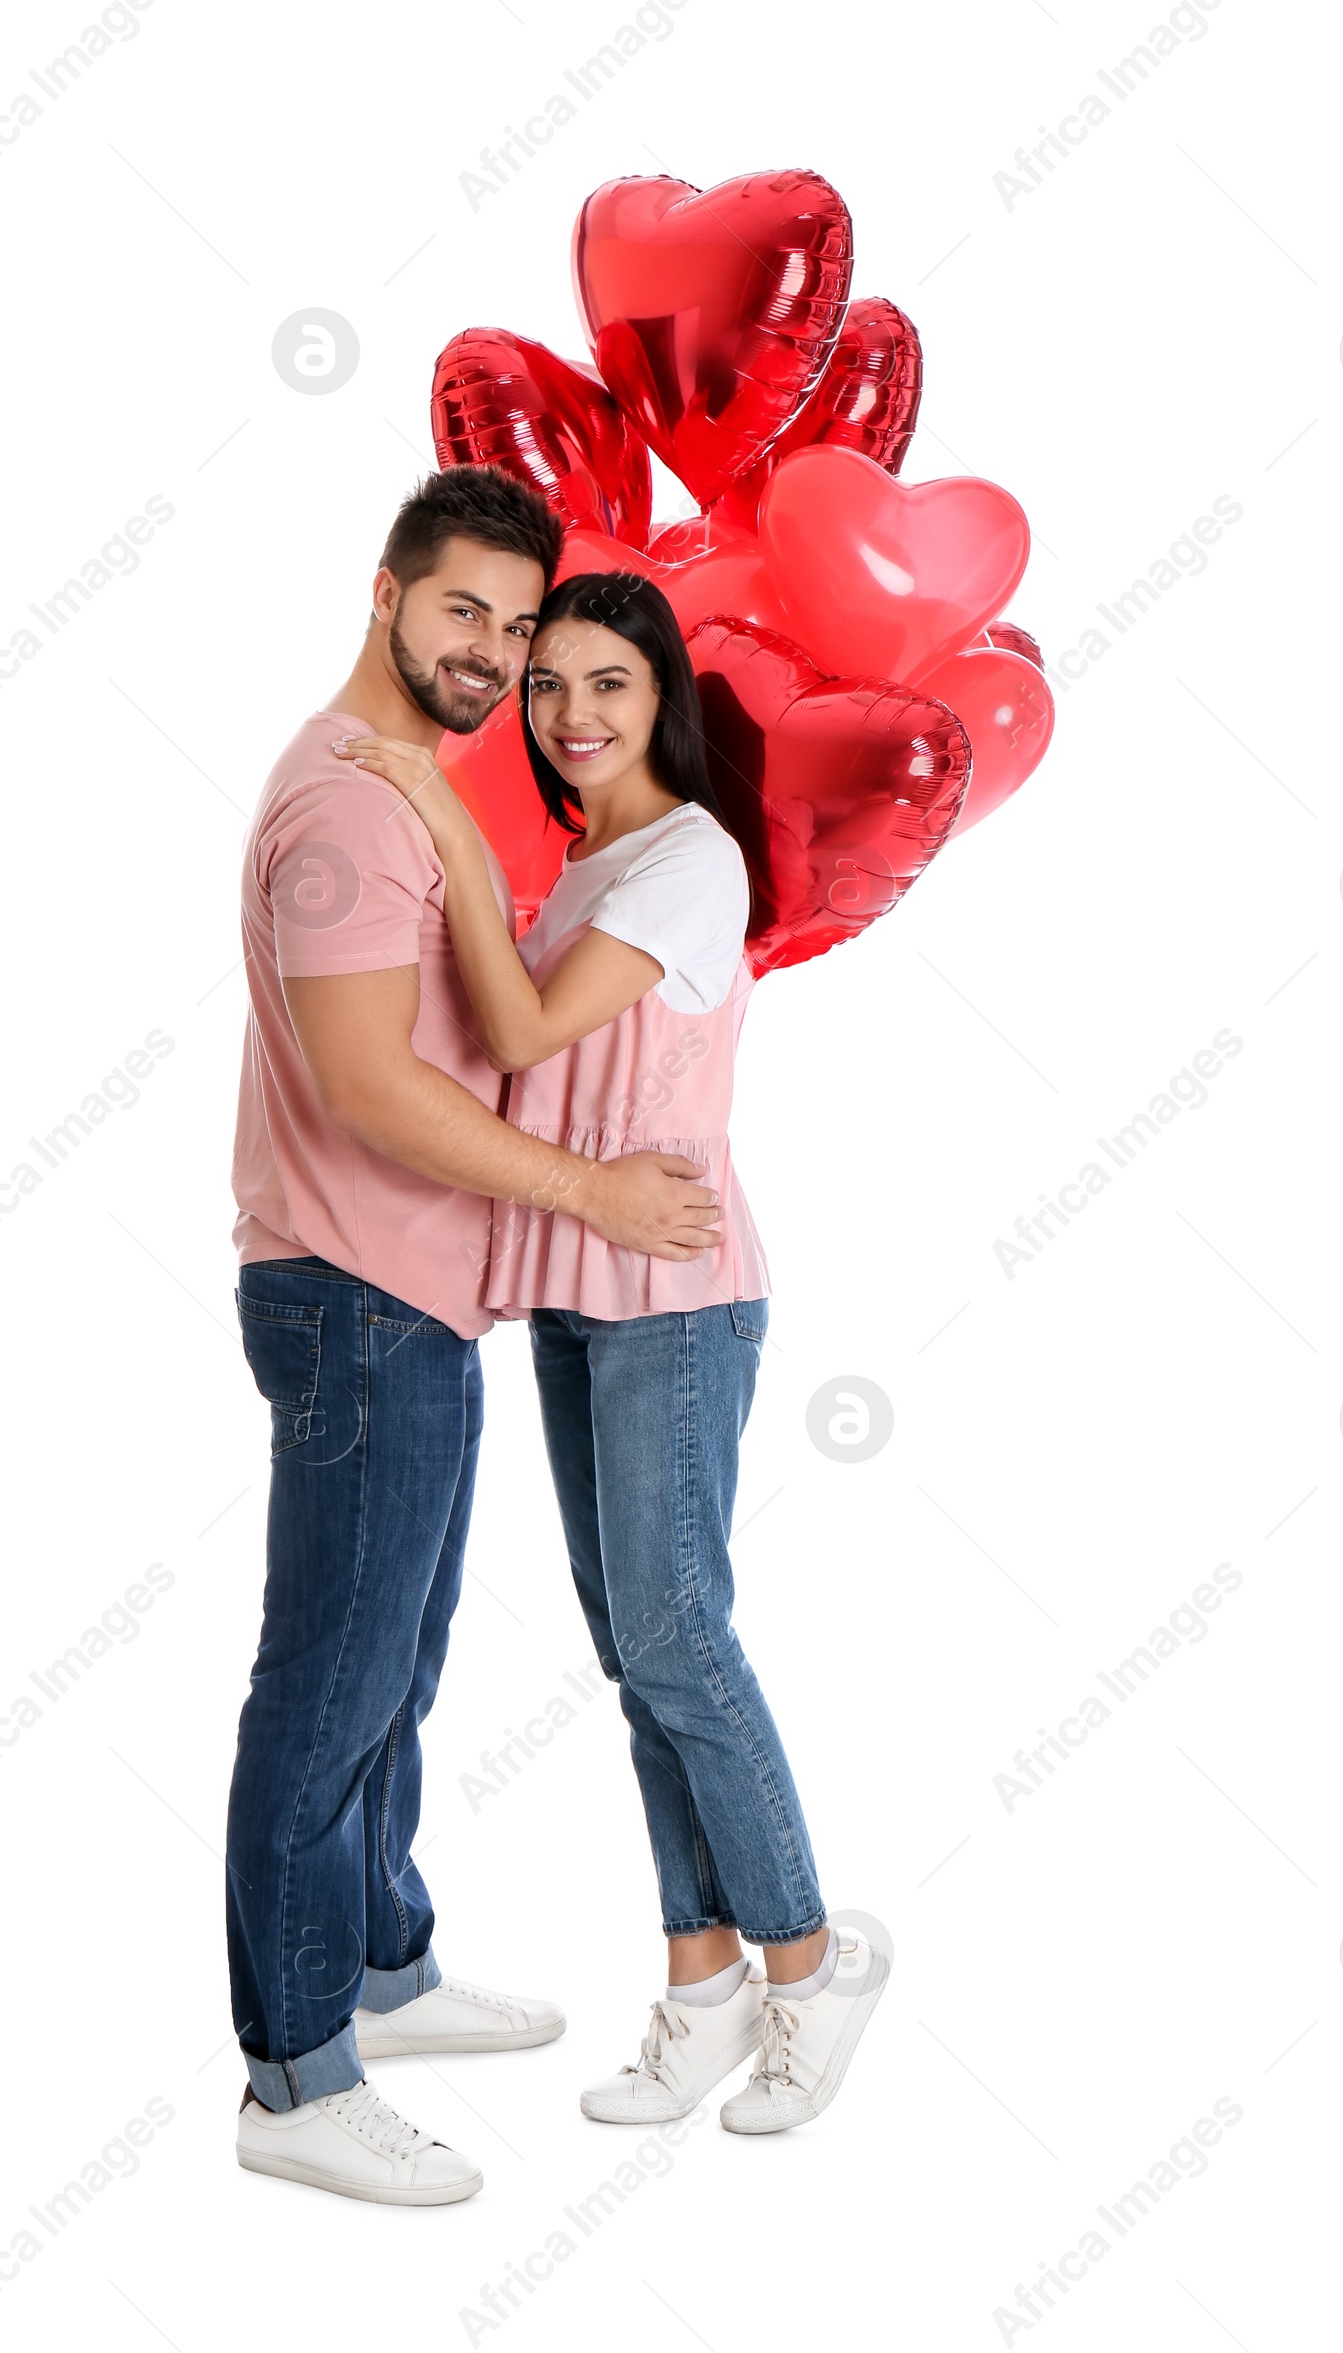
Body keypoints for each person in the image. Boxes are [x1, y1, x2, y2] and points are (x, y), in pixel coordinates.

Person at [341, 569, 890, 2140]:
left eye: (608, 686)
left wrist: (442, 816)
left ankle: (808, 1954)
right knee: (639, 1651)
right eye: (549, 686)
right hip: (581, 1290)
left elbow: (518, 1039)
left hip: (676, 1296)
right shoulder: (595, 865)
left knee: (678, 1640)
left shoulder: (690, 864)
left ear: (664, 701)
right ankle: (702, 1983)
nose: (572, 716)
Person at [228, 477, 725, 2208]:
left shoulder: (407, 791)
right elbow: (371, 1086)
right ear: (386, 598)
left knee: (401, 1663)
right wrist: (590, 1191)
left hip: (412, 1295)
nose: (498, 657)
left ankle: (382, 1964)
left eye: (520, 630)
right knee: (330, 1683)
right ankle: (297, 2074)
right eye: (467, 617)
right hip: (357, 1292)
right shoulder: (360, 814)